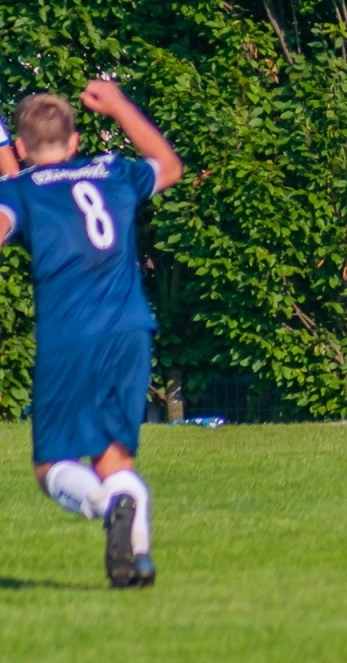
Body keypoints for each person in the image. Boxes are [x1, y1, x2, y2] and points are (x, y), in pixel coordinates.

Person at [0, 82, 183, 587]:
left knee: (50, 466)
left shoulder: (19, 189)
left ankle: (106, 505)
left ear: (20, 148)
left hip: (69, 337)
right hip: (130, 330)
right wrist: (121, 105)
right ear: (75, 140)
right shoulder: (115, 171)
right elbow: (168, 166)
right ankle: (135, 563)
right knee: (114, 458)